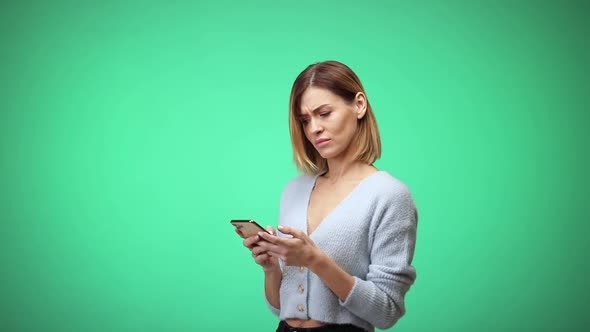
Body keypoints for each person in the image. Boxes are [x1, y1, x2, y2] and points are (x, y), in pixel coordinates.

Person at [235, 60, 418, 332]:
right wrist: (272, 268)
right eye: (305, 120)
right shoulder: (294, 190)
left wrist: (315, 261)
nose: (313, 129)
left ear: (359, 105)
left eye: (324, 113)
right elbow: (279, 307)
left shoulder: (389, 195)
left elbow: (386, 312)